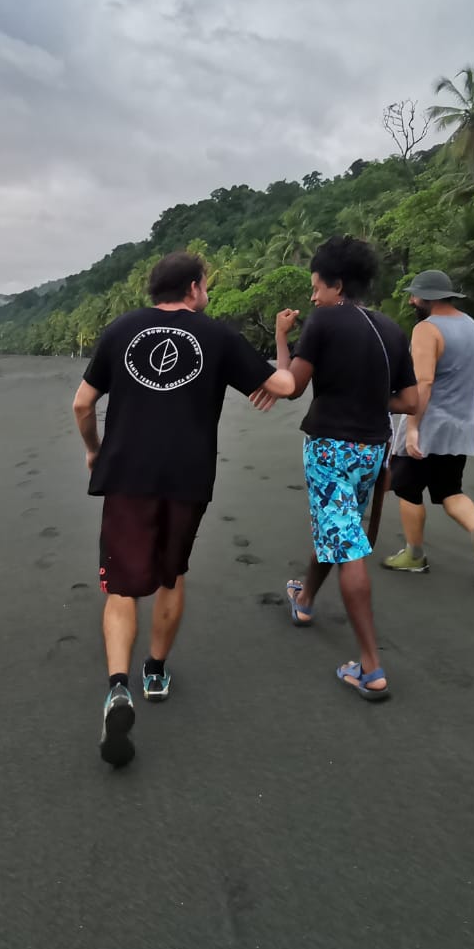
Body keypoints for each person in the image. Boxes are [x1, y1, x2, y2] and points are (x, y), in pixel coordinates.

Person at [72, 251, 295, 768]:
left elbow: (83, 403)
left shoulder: (121, 329)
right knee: (172, 575)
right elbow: (283, 388)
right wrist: (281, 346)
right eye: (207, 286)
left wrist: (92, 448)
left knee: (122, 586)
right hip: (188, 477)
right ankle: (155, 672)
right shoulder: (217, 336)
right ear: (194, 288)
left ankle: (118, 689)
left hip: (127, 474)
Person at [276, 236, 417, 701]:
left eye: (317, 286)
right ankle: (306, 600)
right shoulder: (391, 329)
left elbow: (292, 387)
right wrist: (368, 397)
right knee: (339, 527)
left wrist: (282, 338)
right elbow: (411, 401)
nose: (313, 296)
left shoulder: (325, 321)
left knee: (347, 543)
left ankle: (371, 667)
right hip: (373, 448)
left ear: (336, 284)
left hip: (331, 447)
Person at [378, 269, 474, 584]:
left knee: (407, 488)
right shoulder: (471, 326)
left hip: (429, 424)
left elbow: (424, 381)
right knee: (450, 491)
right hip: (461, 426)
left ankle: (414, 555)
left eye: (415, 295)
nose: (411, 300)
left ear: (427, 298)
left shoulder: (427, 329)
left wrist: (414, 428)